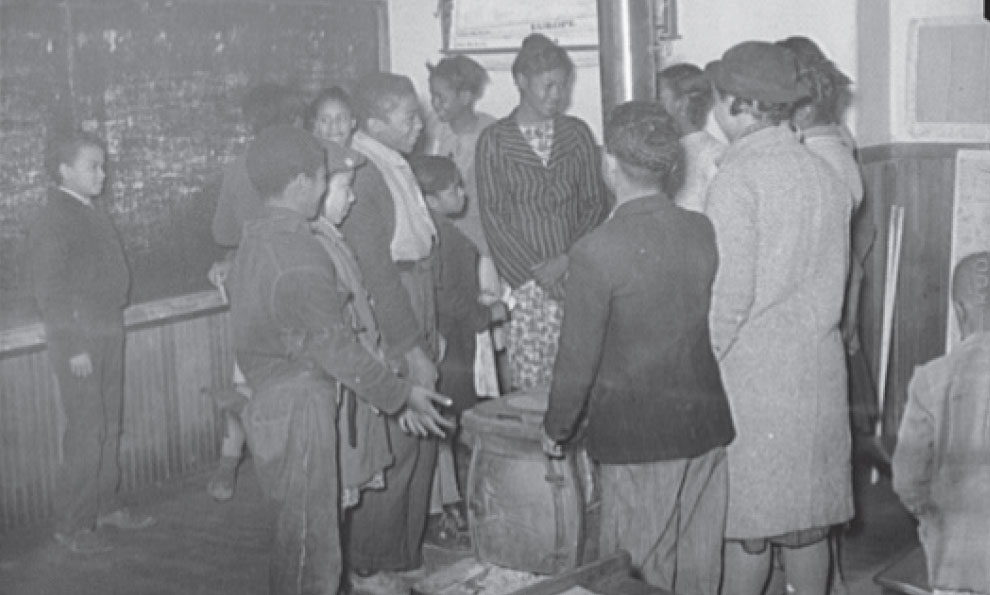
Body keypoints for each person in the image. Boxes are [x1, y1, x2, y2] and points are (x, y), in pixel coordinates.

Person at [227, 125, 452, 595]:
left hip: (280, 402)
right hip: (302, 407)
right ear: (299, 183)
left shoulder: (260, 237)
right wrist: (400, 396)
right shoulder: (298, 254)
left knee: (305, 539)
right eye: (320, 178)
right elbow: (336, 347)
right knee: (313, 547)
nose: (326, 188)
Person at [540, 101, 735, 595]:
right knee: (697, 571)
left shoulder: (597, 249)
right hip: (706, 427)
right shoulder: (700, 229)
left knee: (634, 575)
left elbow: (576, 361)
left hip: (637, 438)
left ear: (609, 164)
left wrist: (555, 428)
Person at [703, 41, 854, 595]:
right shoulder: (822, 172)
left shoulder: (736, 180)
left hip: (757, 381)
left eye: (718, 100)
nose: (714, 112)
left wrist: (698, 363)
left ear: (741, 106)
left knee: (749, 530)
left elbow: (729, 297)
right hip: (817, 372)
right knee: (807, 525)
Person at [28, 130, 156, 555]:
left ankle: (105, 506)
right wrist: (74, 347)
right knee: (86, 431)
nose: (103, 174)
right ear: (64, 170)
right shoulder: (54, 218)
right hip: (80, 343)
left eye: (104, 165)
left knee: (108, 426)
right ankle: (72, 524)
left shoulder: (89, 210)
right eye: (93, 166)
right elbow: (51, 291)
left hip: (107, 330)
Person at [340, 72, 441, 595]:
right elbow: (378, 271)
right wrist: (409, 349)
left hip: (415, 292)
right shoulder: (361, 170)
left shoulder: (391, 158)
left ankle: (402, 554)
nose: (418, 124)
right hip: (393, 303)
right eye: (408, 116)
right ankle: (369, 563)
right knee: (398, 442)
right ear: (375, 123)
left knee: (420, 442)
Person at [476, 33, 611, 391]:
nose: (557, 95)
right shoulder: (495, 140)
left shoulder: (578, 134)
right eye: (548, 86)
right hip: (529, 286)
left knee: (585, 382)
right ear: (521, 81)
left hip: (578, 276)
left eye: (563, 86)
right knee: (537, 390)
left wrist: (568, 261)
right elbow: (494, 216)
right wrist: (538, 276)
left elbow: (595, 204)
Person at [207, 82, 307, 502]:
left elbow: (222, 231)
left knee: (247, 376)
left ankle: (228, 465)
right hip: (294, 283)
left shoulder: (238, 166)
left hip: (251, 284)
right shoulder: (300, 164)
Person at [777, 35, 878, 438]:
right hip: (834, 306)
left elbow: (850, 260)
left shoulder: (821, 159)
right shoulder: (834, 142)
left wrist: (849, 320)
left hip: (827, 312)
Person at [408, 154, 508, 548]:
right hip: (452, 350)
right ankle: (456, 516)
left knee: (448, 435)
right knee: (451, 432)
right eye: (453, 187)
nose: (462, 193)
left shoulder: (439, 233)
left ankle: (453, 512)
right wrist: (491, 312)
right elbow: (450, 301)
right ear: (430, 199)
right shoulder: (441, 239)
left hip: (450, 346)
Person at [892, 251, 990, 595]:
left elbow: (907, 481)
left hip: (955, 561)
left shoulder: (931, 379)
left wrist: (933, 521)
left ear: (959, 310)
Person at [426, 55, 500, 302]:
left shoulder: (492, 134)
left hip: (484, 247)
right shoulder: (435, 132)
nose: (435, 104)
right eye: (432, 96)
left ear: (466, 97)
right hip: (445, 245)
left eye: (441, 97)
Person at [656, 62, 726, 213]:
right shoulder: (657, 150)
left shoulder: (715, 157)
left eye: (660, 98)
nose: (653, 106)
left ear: (681, 104)